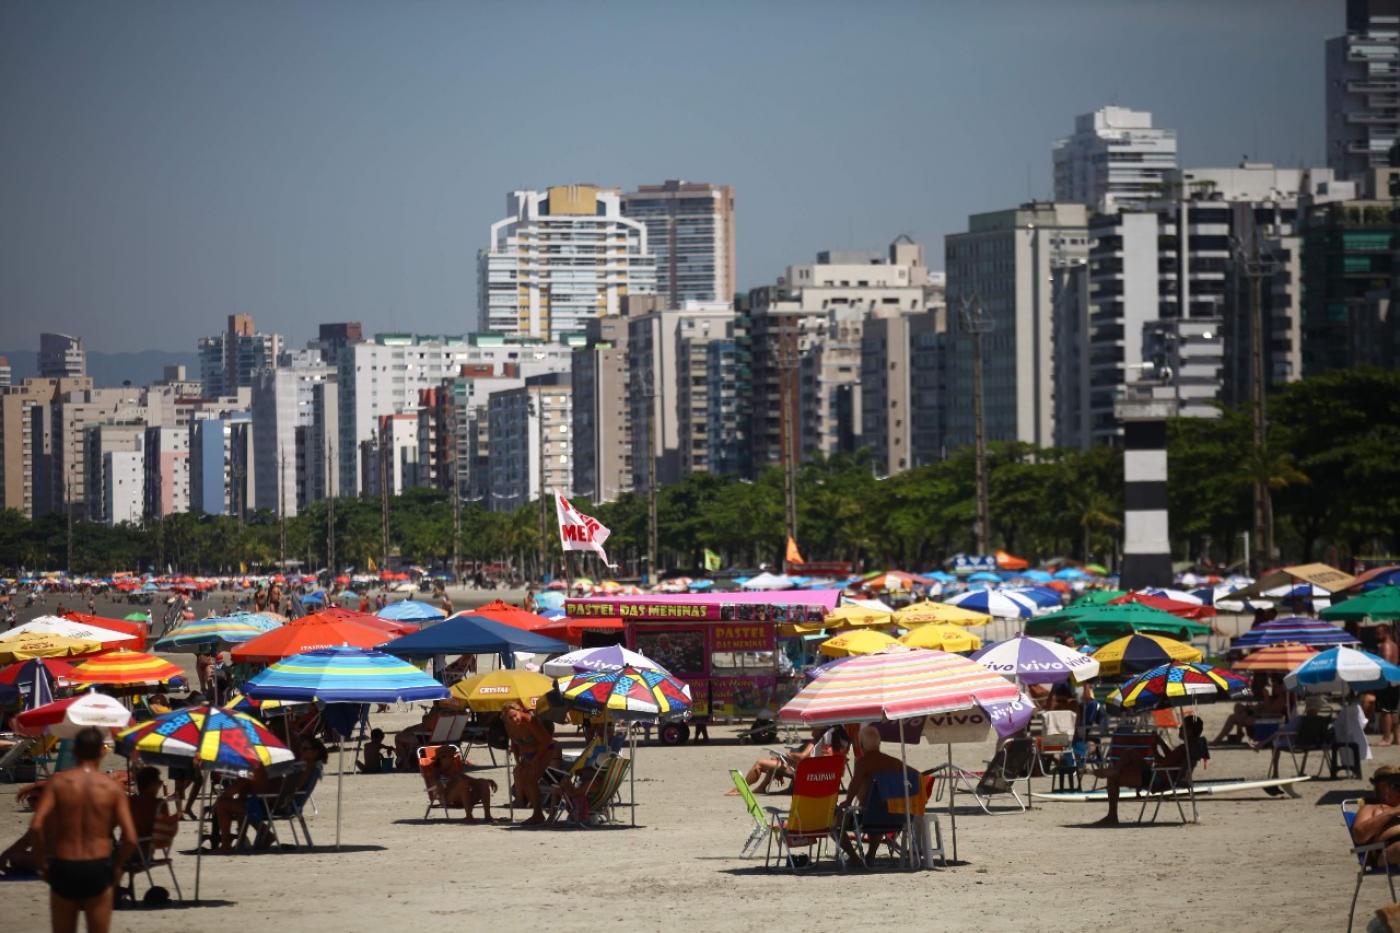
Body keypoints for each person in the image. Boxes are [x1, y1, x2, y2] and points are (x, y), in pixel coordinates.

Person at [28, 726, 139, 933]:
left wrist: (41, 862)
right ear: (102, 752)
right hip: (98, 866)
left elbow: (36, 826)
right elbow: (131, 839)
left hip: (64, 864)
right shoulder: (112, 788)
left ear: (74, 751)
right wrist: (116, 867)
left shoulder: (58, 783)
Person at [1092, 715, 1209, 825]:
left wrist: (1153, 748)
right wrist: (1161, 743)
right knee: (1130, 754)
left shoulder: (1183, 749)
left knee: (1114, 777)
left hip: (1157, 780)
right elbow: (1171, 759)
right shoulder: (1189, 748)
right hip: (1163, 776)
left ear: (1189, 730)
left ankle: (1112, 815)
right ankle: (1116, 770)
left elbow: (1162, 762)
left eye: (1182, 726)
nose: (1180, 728)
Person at [835, 725, 908, 866]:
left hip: (871, 816)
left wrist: (848, 801)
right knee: (879, 808)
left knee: (834, 822)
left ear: (861, 745)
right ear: (879, 743)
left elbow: (854, 785)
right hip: (898, 817)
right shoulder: (896, 763)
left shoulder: (864, 763)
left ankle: (855, 859)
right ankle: (870, 855)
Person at [503, 700, 561, 825]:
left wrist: (536, 759)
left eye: (515, 716)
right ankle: (525, 802)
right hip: (527, 753)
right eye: (510, 718)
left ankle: (537, 813)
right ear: (505, 718)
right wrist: (518, 759)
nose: (514, 719)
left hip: (546, 750)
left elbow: (546, 741)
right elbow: (514, 742)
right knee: (519, 773)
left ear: (520, 712)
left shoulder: (530, 721)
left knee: (531, 779)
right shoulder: (508, 725)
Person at [727, 727, 826, 796]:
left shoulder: (815, 741)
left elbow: (803, 757)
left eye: (815, 727)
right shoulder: (825, 742)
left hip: (799, 770)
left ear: (821, 730)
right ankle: (761, 787)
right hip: (805, 769)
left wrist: (789, 755)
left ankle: (740, 789)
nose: (811, 729)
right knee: (773, 762)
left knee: (760, 763)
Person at [423, 744, 497, 822]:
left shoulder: (453, 769)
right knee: (462, 784)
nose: (452, 759)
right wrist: (450, 780)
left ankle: (487, 816)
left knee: (483, 783)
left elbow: (471, 781)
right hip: (447, 798)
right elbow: (439, 788)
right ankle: (469, 816)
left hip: (463, 797)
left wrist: (485, 781)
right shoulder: (436, 771)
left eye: (452, 757)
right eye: (450, 757)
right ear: (441, 758)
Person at [1353, 766, 1400, 866]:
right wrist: (1393, 812)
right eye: (1397, 786)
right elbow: (1359, 835)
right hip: (1389, 848)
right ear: (1382, 788)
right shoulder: (1371, 808)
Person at [1376, 626, 1400, 747]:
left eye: (1379, 632)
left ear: (1386, 632)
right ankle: (1397, 738)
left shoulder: (1385, 646)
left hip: (1387, 680)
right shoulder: (1395, 645)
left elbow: (1385, 663)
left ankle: (1386, 738)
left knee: (1386, 710)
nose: (1376, 635)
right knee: (1394, 710)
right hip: (1395, 679)